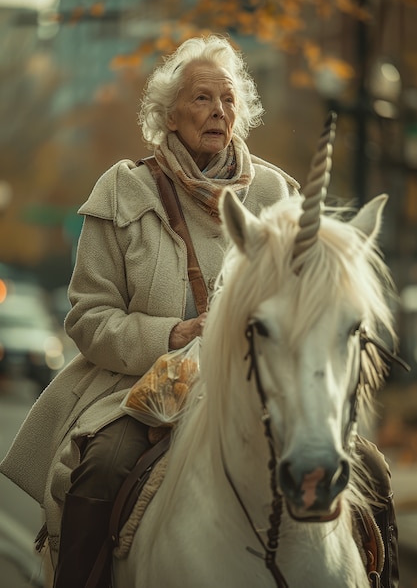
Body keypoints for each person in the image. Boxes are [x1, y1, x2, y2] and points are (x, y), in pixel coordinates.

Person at [0, 35, 398, 588]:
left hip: (255, 384)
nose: (218, 111)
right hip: (140, 391)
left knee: (372, 472)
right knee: (100, 472)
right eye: (202, 99)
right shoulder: (121, 191)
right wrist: (175, 333)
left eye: (229, 100)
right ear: (168, 113)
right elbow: (88, 319)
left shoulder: (279, 194)